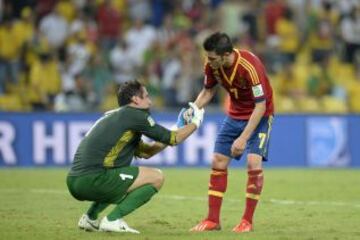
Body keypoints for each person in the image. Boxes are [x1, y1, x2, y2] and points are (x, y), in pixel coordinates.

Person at [66, 80, 204, 234]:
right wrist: (196, 122)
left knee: (126, 177)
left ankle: (90, 218)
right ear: (135, 99)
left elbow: (147, 152)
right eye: (146, 96)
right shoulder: (136, 115)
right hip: (93, 179)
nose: (150, 101)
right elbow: (174, 139)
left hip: (74, 180)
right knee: (156, 177)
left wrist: (178, 126)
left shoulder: (118, 118)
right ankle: (113, 220)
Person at [183, 32, 274, 233]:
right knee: (218, 160)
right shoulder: (211, 66)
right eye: (207, 56)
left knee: (253, 162)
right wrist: (194, 108)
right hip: (234, 116)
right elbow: (207, 91)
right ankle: (212, 220)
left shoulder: (250, 67)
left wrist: (242, 139)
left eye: (212, 58)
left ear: (226, 55)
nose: (208, 61)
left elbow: (260, 105)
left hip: (260, 116)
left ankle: (247, 222)